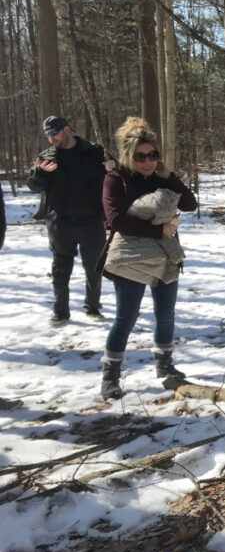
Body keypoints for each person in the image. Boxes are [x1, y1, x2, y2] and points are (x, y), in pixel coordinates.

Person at [99, 117, 197, 399]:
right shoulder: (115, 179)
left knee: (165, 315)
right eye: (141, 156)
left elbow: (189, 203)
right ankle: (111, 375)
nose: (147, 161)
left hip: (166, 256)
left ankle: (165, 366)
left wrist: (168, 176)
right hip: (132, 258)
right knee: (126, 317)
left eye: (153, 155)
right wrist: (159, 229)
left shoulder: (159, 176)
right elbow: (115, 220)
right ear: (128, 155)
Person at [27, 116, 115, 324]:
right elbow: (33, 186)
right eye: (47, 134)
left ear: (67, 130)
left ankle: (92, 308)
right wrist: (39, 173)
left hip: (92, 222)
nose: (50, 138)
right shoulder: (47, 157)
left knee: (94, 268)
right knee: (60, 270)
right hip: (60, 223)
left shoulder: (94, 151)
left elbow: (114, 178)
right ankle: (60, 311)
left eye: (53, 133)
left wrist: (112, 167)